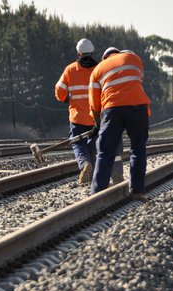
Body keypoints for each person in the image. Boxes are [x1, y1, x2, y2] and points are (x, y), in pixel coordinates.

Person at [88, 47, 150, 200]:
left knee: (105, 152)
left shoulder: (97, 70)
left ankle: (96, 193)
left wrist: (98, 123)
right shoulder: (134, 59)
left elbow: (94, 104)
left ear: (105, 58)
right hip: (137, 107)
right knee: (138, 148)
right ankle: (137, 191)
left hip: (111, 109)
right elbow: (137, 83)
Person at [55, 38, 99, 184]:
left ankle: (85, 164)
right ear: (92, 52)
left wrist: (65, 98)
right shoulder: (99, 69)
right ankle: (91, 176)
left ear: (78, 53)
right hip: (95, 117)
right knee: (92, 144)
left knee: (77, 143)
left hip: (77, 117)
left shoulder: (70, 69)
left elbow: (59, 90)